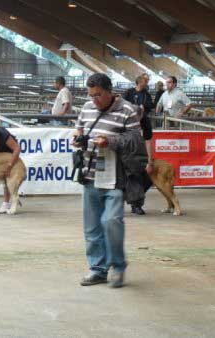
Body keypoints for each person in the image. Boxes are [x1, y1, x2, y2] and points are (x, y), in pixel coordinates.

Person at [73, 73, 147, 288]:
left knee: (111, 222)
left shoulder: (127, 110)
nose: (94, 100)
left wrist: (110, 141)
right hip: (89, 175)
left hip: (115, 178)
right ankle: (97, 269)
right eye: (91, 95)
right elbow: (80, 127)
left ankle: (117, 266)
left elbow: (135, 140)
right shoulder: (87, 108)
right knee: (92, 228)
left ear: (109, 91)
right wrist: (77, 138)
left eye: (98, 95)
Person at [122, 75, 155, 215]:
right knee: (129, 177)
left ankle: (136, 202)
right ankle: (133, 202)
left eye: (140, 115)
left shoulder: (145, 121)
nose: (138, 118)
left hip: (139, 154)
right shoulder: (123, 118)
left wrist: (150, 161)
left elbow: (148, 140)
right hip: (125, 152)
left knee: (146, 179)